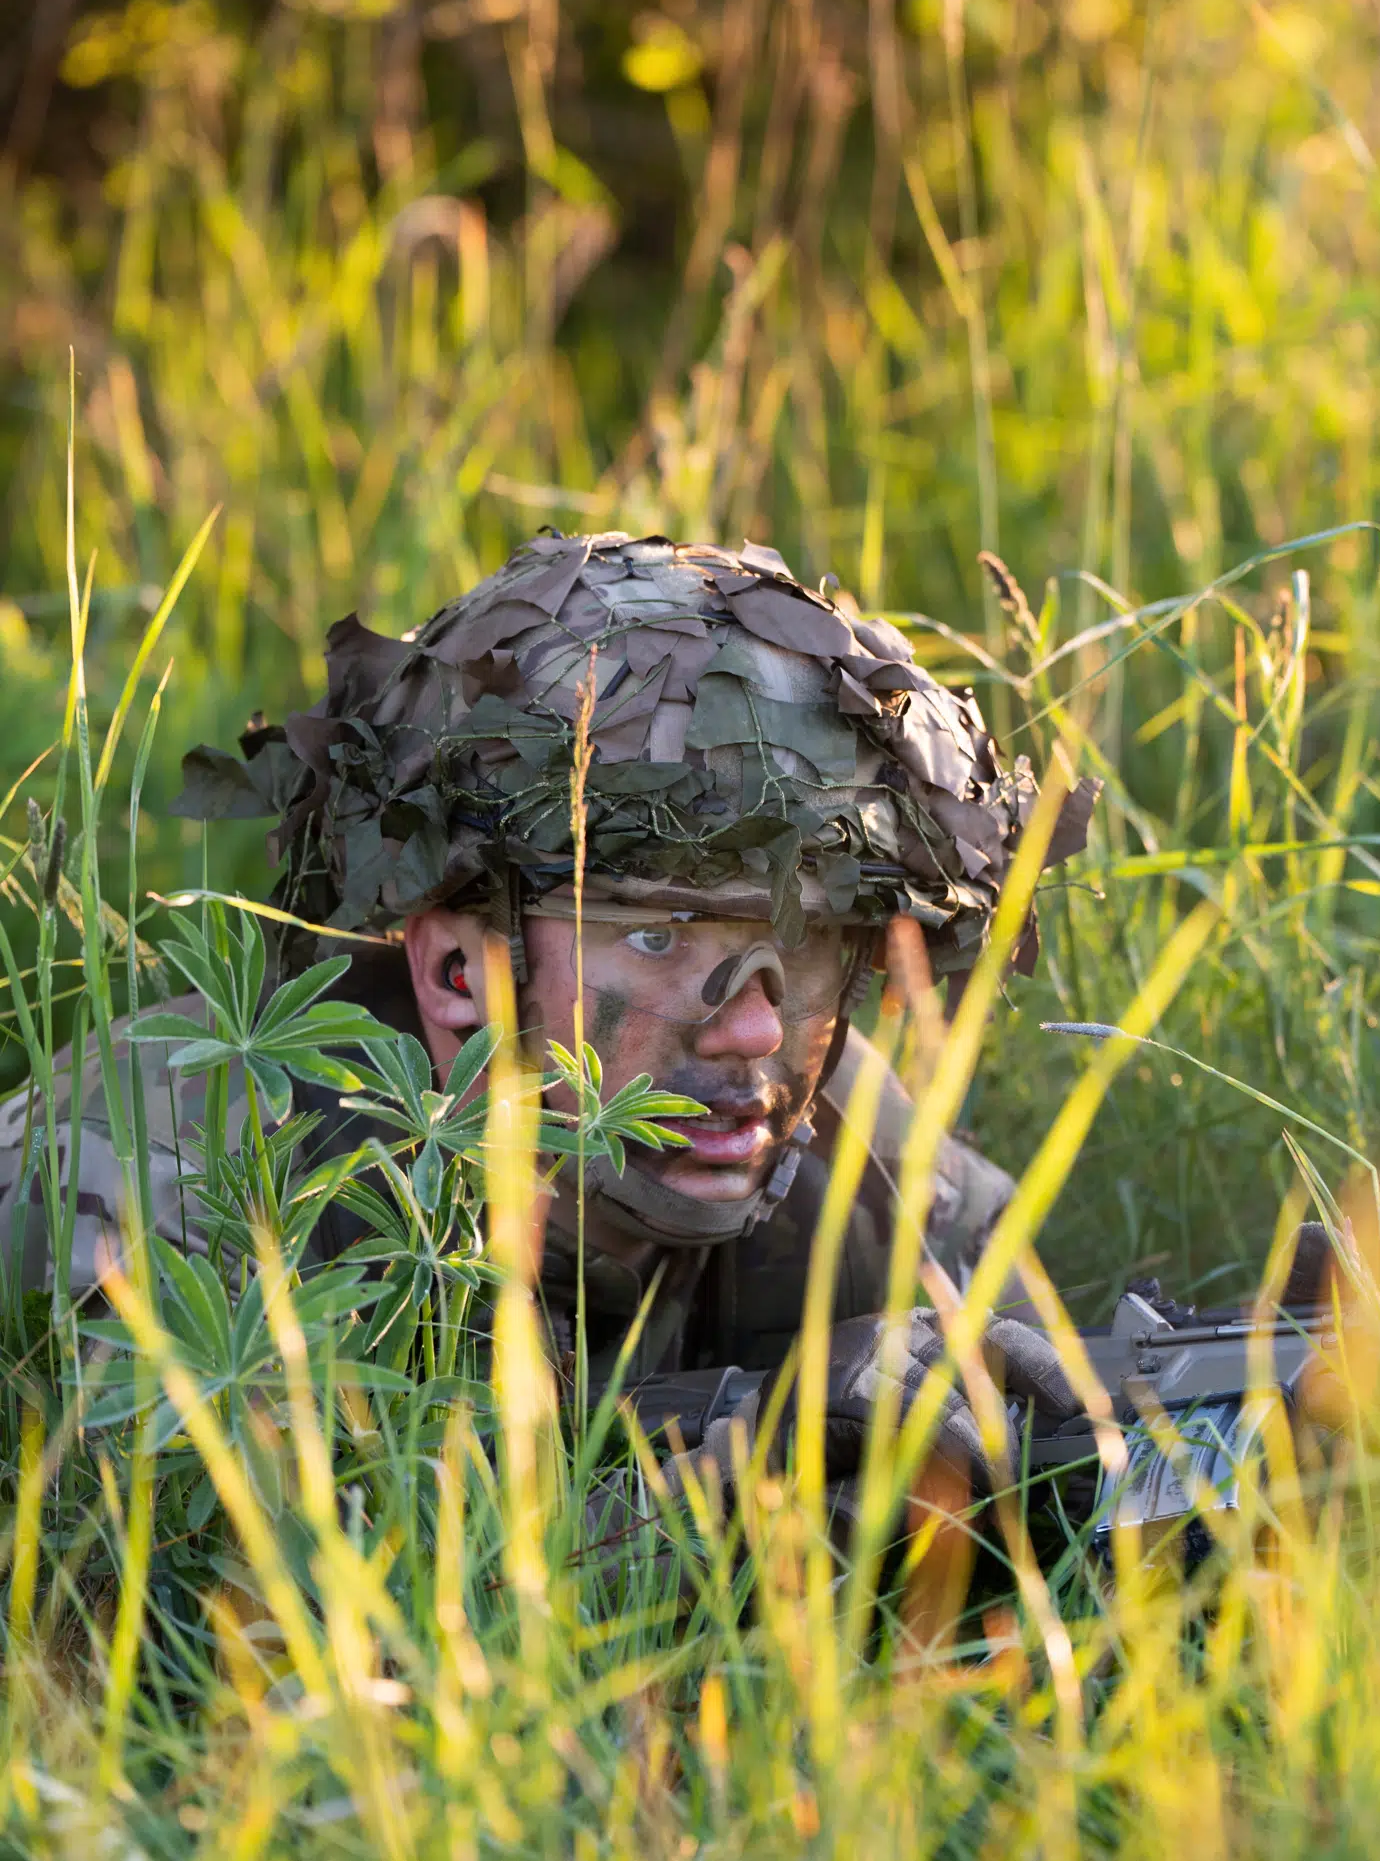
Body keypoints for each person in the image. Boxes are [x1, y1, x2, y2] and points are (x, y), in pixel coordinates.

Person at [0, 532, 1097, 1532]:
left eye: (802, 949)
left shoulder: (849, 1151)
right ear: (456, 971)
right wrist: (726, 1508)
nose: (754, 1026)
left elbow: (1068, 1406)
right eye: (663, 940)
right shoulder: (164, 1173)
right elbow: (190, 1629)